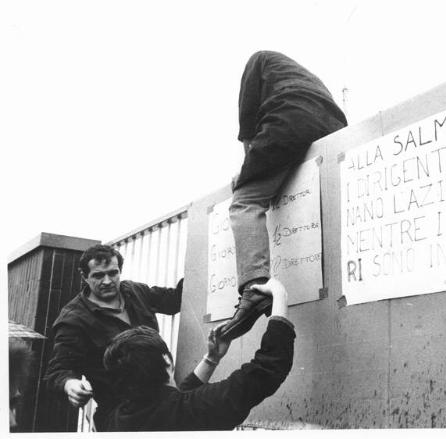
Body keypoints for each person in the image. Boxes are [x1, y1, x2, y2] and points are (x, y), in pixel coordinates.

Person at [220, 50, 347, 340]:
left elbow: (249, 128)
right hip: (333, 126)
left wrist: (247, 171)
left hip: (289, 121)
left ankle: (254, 289)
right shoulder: (300, 75)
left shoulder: (256, 61)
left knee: (245, 201)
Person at [102, 278, 294, 431]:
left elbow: (176, 400)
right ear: (167, 360)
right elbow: (268, 369)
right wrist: (279, 295)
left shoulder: (115, 421)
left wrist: (211, 359)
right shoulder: (192, 412)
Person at [44, 244, 183, 431]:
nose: (108, 281)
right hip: (122, 417)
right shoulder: (73, 320)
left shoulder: (136, 292)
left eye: (113, 273)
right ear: (84, 276)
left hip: (164, 402)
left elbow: (175, 300)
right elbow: (58, 370)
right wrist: (70, 384)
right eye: (98, 275)